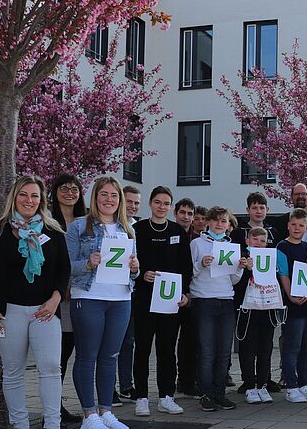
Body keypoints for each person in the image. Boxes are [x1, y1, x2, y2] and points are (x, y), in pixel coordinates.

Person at [0, 175, 71, 429]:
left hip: (45, 311)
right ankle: (20, 425)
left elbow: (64, 270)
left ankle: (52, 423)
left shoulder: (53, 231)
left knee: (51, 366)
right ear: (14, 197)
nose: (28, 200)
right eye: (23, 195)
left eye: (34, 196)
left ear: (41, 201)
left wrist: (55, 299)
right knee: (13, 371)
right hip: (8, 312)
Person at [66, 176, 139, 429]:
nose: (109, 200)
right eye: (104, 194)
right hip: (88, 297)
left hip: (121, 299)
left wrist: (135, 268)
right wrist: (87, 264)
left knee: (111, 356)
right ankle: (89, 415)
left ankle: (106, 411)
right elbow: (66, 267)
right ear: (95, 197)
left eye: (114, 195)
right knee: (87, 356)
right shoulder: (78, 226)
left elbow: (133, 269)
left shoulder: (128, 228)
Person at [131, 186, 192, 417]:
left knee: (167, 350)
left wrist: (185, 293)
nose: (162, 207)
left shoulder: (177, 230)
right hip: (145, 299)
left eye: (166, 203)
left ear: (170, 206)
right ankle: (142, 398)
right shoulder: (138, 229)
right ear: (150, 203)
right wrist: (142, 273)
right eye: (158, 202)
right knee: (143, 350)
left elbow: (185, 266)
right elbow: (132, 260)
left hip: (170, 301)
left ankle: (167, 396)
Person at [189, 206, 247, 412]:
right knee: (207, 351)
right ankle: (205, 393)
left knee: (224, 352)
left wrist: (239, 268)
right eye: (215, 221)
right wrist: (200, 265)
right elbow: (189, 273)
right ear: (208, 222)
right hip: (204, 301)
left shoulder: (232, 246)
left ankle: (219, 393)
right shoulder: (197, 244)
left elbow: (233, 279)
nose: (219, 224)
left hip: (226, 301)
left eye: (223, 221)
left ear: (229, 226)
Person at [48, 174, 87, 424]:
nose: (70, 192)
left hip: (81, 294)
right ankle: (53, 408)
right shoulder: (48, 221)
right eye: (64, 188)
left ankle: (57, 403)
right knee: (57, 355)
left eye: (75, 189)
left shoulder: (86, 222)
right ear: (54, 192)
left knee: (71, 348)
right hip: (56, 295)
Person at [277, 208, 307, 403]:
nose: (297, 228)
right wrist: (290, 295)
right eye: (294, 224)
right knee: (292, 346)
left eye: (301, 225)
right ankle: (291, 386)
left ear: (305, 228)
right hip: (292, 304)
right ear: (288, 225)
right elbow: (283, 274)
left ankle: (305, 384)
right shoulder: (282, 247)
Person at [234, 227, 279, 404]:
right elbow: (236, 284)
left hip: (266, 309)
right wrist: (245, 270)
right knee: (248, 349)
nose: (259, 244)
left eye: (262, 241)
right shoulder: (241, 258)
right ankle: (249, 385)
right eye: (255, 240)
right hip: (247, 309)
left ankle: (262, 384)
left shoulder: (270, 256)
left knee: (265, 348)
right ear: (247, 241)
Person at [115, 185, 141, 404]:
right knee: (107, 344)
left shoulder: (135, 228)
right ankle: (107, 388)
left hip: (128, 292)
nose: (132, 206)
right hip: (104, 293)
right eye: (129, 201)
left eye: (136, 203)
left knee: (127, 341)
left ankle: (125, 385)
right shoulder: (107, 226)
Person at [173, 197, 200, 397]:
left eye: (190, 213)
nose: (186, 217)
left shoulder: (197, 238)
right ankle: (171, 382)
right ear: (176, 213)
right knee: (168, 340)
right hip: (171, 293)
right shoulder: (169, 232)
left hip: (193, 294)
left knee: (190, 341)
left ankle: (187, 380)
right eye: (183, 212)